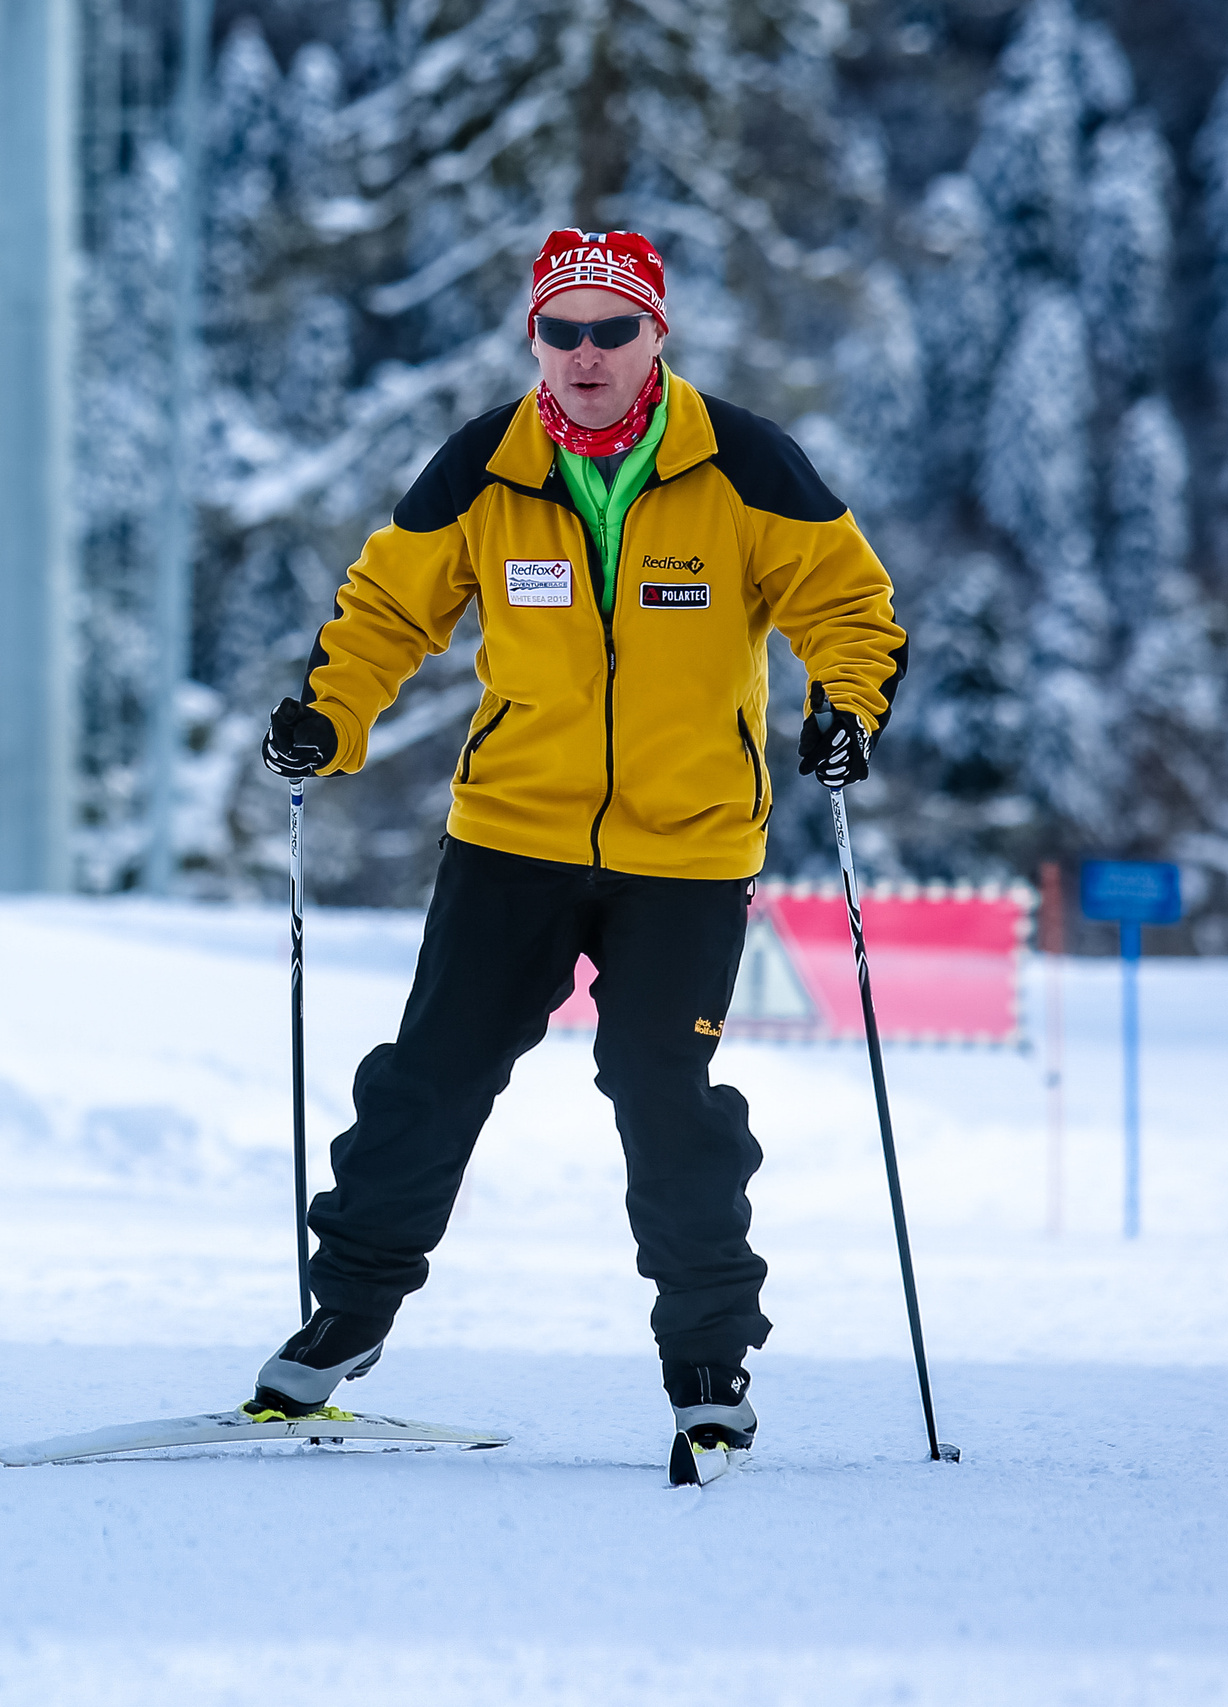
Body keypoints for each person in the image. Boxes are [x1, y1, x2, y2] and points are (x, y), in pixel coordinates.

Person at [250, 228, 907, 1458]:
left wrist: (845, 710)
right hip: (513, 836)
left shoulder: (744, 462)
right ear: (534, 340)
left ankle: (707, 1358)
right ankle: (345, 1319)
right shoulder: (485, 466)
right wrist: (329, 721)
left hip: (688, 850)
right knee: (428, 1078)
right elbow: (387, 608)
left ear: (658, 335)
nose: (587, 353)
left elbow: (846, 604)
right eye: (563, 330)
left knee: (663, 1096)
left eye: (614, 329)